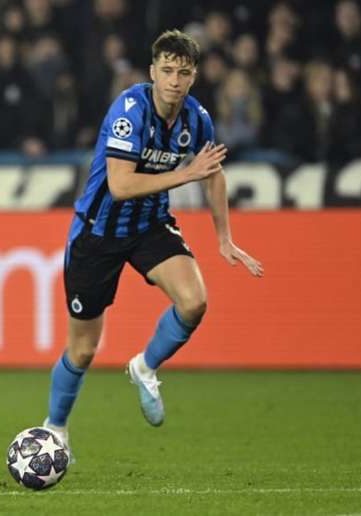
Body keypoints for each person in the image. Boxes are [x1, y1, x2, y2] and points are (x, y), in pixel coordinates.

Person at [42, 30, 263, 457]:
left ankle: (145, 366)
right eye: (166, 71)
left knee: (194, 301)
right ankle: (55, 428)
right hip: (98, 233)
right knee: (83, 349)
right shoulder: (129, 110)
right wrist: (185, 175)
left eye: (182, 72)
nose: (174, 81)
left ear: (193, 76)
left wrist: (224, 238)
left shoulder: (196, 118)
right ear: (152, 72)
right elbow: (121, 185)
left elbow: (213, 173)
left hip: (149, 226)